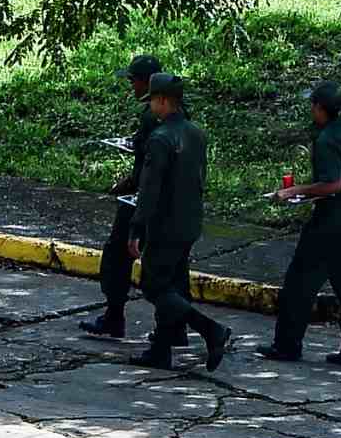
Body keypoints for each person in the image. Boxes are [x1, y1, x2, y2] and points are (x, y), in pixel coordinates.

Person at [258, 80, 341, 368]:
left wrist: (295, 191)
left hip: (329, 221)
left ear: (320, 108)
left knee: (299, 284)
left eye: (312, 105)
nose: (310, 110)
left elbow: (332, 184)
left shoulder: (325, 140)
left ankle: (287, 344)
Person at [128, 72, 232, 371]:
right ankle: (161, 348)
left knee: (153, 285)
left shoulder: (160, 139)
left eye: (152, 102)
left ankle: (211, 329)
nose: (150, 108)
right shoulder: (196, 134)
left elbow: (150, 189)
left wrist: (137, 227)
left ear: (162, 101)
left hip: (165, 224)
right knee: (171, 284)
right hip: (190, 221)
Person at [80, 55, 162, 339]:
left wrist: (127, 185)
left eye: (133, 80)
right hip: (168, 200)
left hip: (146, 197)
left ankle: (114, 316)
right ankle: (173, 328)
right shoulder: (174, 114)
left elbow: (148, 165)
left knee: (117, 254)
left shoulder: (153, 115)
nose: (131, 86)